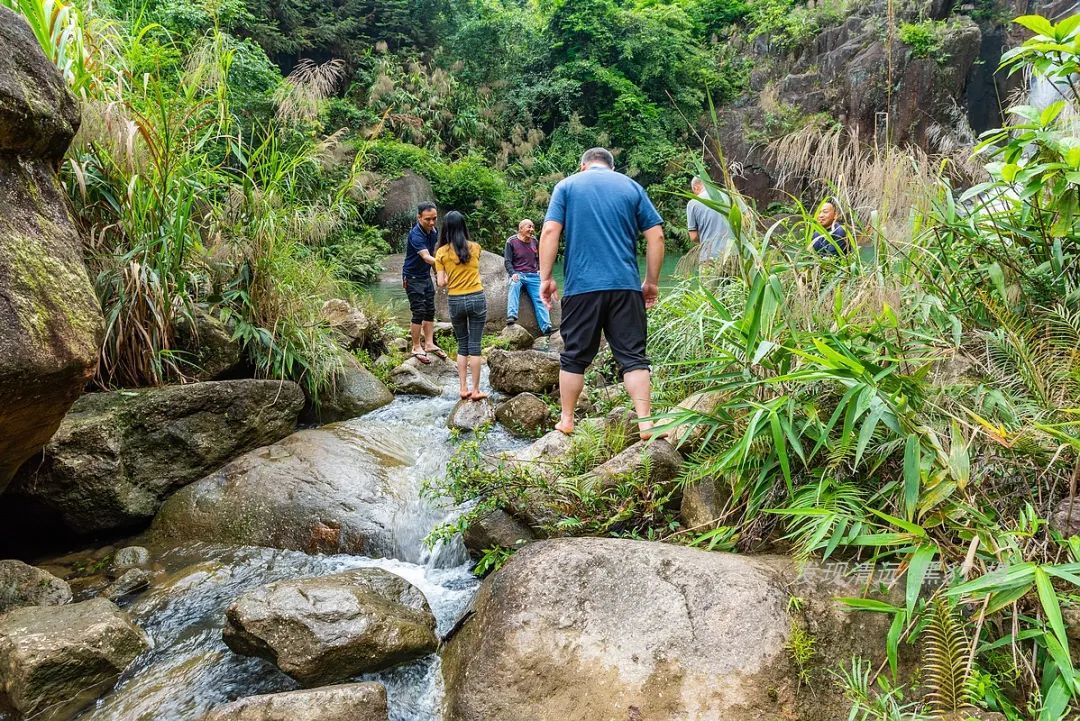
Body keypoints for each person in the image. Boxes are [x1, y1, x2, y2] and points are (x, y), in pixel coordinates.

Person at [539, 147, 665, 439]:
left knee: (574, 356)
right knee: (633, 357)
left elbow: (549, 232)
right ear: (612, 166)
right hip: (625, 286)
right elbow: (656, 235)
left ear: (583, 166)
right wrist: (651, 281)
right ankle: (646, 422)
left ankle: (567, 420)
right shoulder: (632, 187)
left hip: (582, 287)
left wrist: (545, 278)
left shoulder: (567, 186)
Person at [435, 211, 488, 400]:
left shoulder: (441, 252)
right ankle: (476, 391)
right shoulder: (475, 247)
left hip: (455, 300)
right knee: (475, 345)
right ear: (463, 226)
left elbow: (441, 283)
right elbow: (472, 266)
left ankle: (463, 388)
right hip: (476, 297)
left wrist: (448, 275)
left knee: (462, 345)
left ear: (445, 228)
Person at [402, 202, 448, 364]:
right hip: (412, 277)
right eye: (427, 219)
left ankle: (428, 344)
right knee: (418, 311)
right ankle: (416, 346)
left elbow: (432, 253)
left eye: (434, 219)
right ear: (419, 217)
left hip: (425, 275)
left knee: (430, 310)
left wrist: (436, 274)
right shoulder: (416, 235)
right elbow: (426, 257)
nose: (432, 222)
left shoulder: (433, 231)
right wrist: (445, 265)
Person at [504, 219, 553, 335]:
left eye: (533, 227)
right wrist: (512, 273)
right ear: (521, 229)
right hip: (519, 274)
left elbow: (539, 258)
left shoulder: (534, 241)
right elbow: (507, 261)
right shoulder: (511, 241)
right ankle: (512, 315)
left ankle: (546, 327)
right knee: (513, 285)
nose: (532, 230)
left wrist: (541, 269)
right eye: (529, 227)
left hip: (533, 275)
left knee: (540, 297)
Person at [686, 176, 735, 264]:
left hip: (709, 257)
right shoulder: (729, 194)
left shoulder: (693, 203)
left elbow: (693, 237)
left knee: (709, 278)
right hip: (733, 255)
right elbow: (748, 218)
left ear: (695, 187)